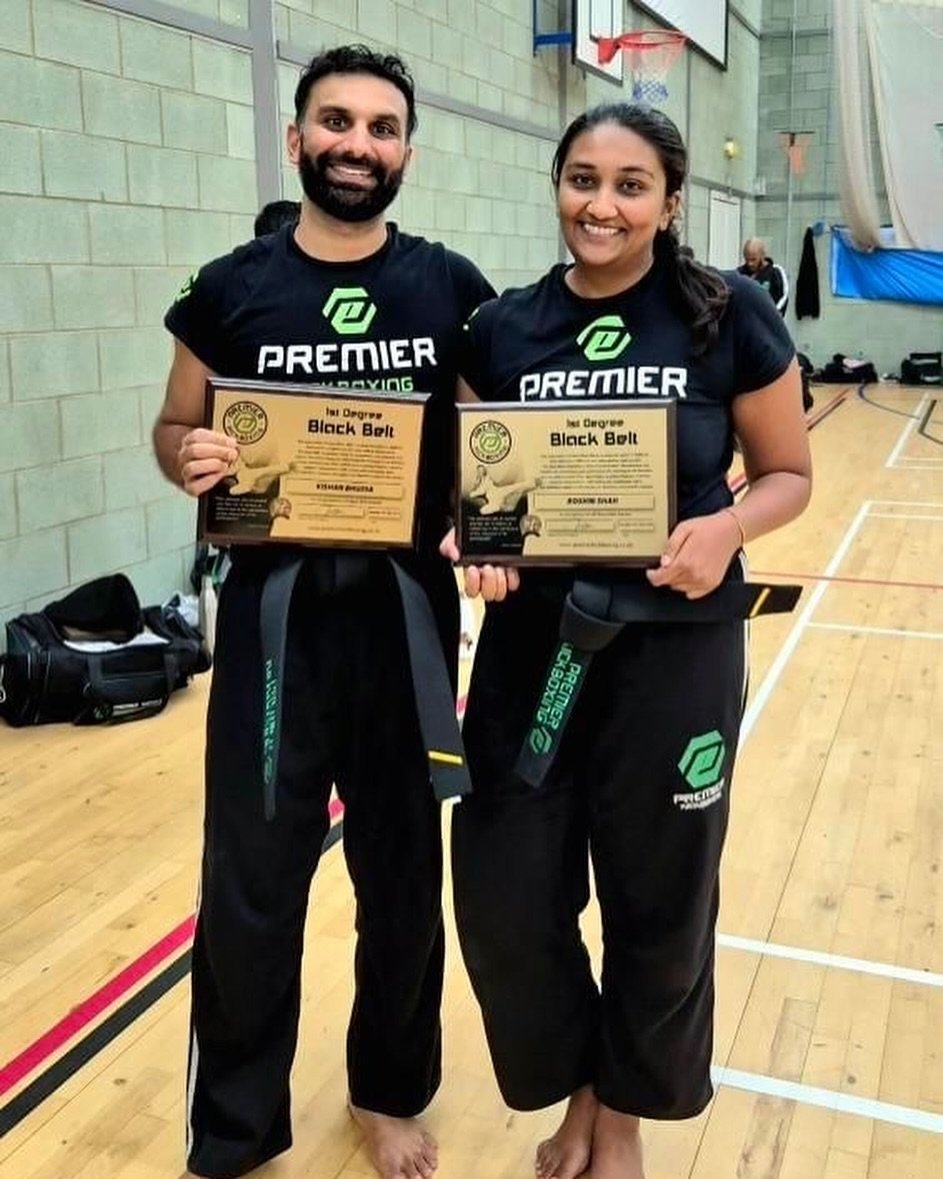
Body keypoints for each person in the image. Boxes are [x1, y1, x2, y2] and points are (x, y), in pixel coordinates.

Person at [442, 103, 811, 1179]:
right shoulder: (500, 327)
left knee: (660, 891)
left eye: (629, 184)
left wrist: (726, 526)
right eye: (582, 180)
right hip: (533, 651)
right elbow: (477, 491)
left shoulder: (727, 313)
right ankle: (576, 1083)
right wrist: (472, 537)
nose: (600, 205)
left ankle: (619, 1118)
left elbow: (787, 475)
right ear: (556, 186)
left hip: (673, 649)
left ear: (668, 199)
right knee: (510, 890)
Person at [153, 44, 493, 1179]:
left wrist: (478, 526)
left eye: (382, 127)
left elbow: (487, 453)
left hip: (403, 617)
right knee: (253, 877)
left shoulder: (451, 287)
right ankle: (239, 1130)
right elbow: (172, 429)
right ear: (297, 139)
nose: (358, 143)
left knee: (401, 874)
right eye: (336, 122)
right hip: (273, 623)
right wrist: (189, 454)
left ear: (406, 150)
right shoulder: (229, 286)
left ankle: (388, 1093)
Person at [738, 237, 789, 316]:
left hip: (768, 321)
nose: (750, 263)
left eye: (753, 259)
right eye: (747, 259)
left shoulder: (775, 271)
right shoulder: (739, 274)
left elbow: (784, 296)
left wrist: (773, 315)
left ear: (762, 255)